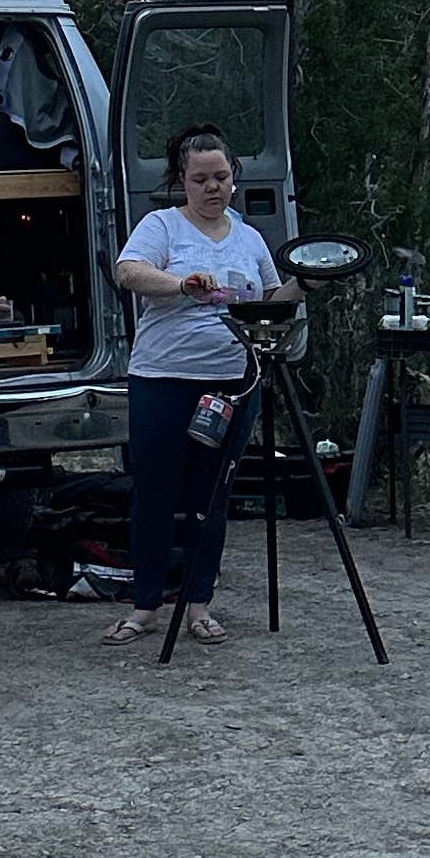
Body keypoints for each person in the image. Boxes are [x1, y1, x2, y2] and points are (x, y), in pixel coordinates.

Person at [107, 126, 296, 643]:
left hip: (231, 381)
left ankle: (198, 604)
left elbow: (273, 300)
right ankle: (143, 605)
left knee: (211, 494)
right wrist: (181, 285)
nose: (212, 188)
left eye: (221, 177)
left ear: (234, 178)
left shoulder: (250, 237)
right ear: (181, 181)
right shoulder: (162, 226)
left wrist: (307, 280)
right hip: (163, 378)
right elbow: (128, 271)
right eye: (200, 179)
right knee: (154, 490)